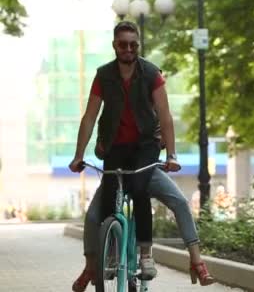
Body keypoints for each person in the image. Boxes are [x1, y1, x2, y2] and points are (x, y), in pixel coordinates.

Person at [69, 21, 213, 291]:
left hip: (146, 148)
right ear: (114, 45)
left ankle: (173, 259)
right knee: (94, 216)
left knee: (145, 190)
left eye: (133, 44)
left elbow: (166, 117)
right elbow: (89, 118)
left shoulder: (151, 74)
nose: (128, 49)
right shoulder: (103, 76)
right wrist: (78, 155)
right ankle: (93, 266)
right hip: (115, 150)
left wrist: (171, 153)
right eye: (123, 44)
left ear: (138, 45)